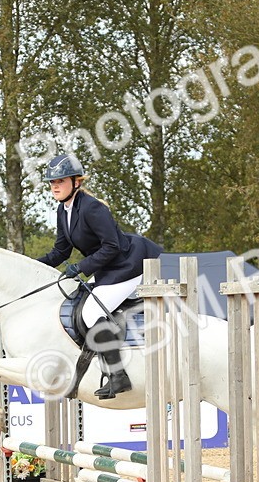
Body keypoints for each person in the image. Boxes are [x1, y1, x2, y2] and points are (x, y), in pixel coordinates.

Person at [35, 154, 163, 400]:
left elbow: (112, 246)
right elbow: (60, 252)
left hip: (129, 265)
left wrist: (81, 266)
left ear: (76, 182)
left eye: (60, 181)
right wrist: (28, 266)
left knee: (92, 312)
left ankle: (118, 376)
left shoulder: (92, 207)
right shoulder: (63, 211)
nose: (55, 186)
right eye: (52, 182)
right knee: (78, 303)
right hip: (107, 268)